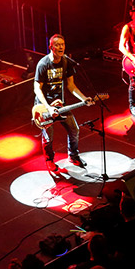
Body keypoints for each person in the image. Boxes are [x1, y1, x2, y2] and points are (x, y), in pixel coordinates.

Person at [34, 34, 92, 171]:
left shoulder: (66, 62)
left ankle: (73, 155)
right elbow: (37, 88)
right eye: (57, 45)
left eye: (63, 44)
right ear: (51, 47)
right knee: (49, 136)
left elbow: (71, 86)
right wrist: (48, 108)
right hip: (45, 107)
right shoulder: (43, 64)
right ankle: (49, 160)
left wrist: (84, 98)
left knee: (74, 130)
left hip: (60, 104)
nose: (61, 47)